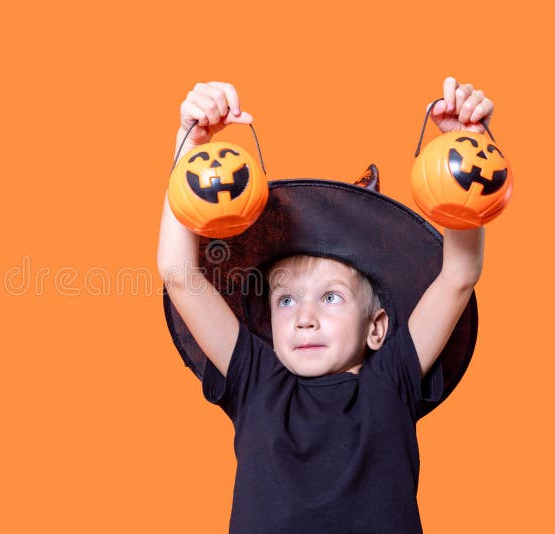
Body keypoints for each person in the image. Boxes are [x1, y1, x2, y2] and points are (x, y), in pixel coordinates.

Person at [157, 78, 492, 533]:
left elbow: (458, 276)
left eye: (331, 297)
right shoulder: (255, 379)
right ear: (266, 319)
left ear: (376, 327)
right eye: (286, 299)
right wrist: (190, 148)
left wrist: (464, 149)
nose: (304, 319)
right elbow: (180, 274)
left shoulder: (392, 377)